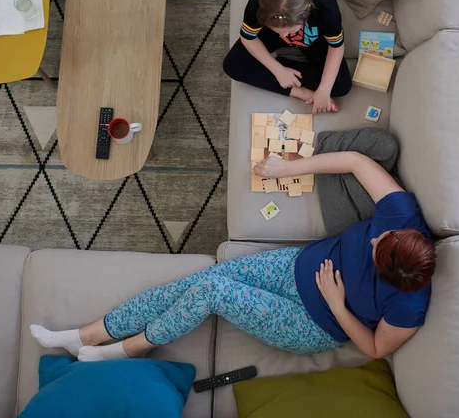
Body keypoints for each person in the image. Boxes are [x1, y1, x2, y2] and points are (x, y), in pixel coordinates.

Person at [30, 152, 436, 362]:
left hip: (312, 324)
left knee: (210, 290)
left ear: (389, 274)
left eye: (375, 247)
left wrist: (336, 304)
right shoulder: (404, 217)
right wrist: (283, 168)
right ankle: (90, 334)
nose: (371, 237)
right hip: (293, 268)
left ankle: (132, 347)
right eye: (381, 236)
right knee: (191, 285)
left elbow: (377, 348)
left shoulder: (409, 304)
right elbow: (356, 162)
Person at [223, 0, 352, 114]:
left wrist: (323, 91)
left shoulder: (324, 4)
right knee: (232, 64)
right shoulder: (259, 4)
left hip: (314, 38)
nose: (284, 36)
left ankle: (270, 60)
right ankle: (299, 90)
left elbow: (336, 47)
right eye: (279, 31)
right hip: (271, 32)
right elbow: (248, 38)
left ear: (306, 11)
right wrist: (278, 70)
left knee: (341, 86)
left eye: (289, 32)